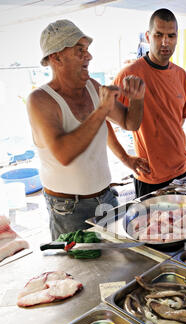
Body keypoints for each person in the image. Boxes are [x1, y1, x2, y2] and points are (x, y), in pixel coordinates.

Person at [26, 19, 145, 240]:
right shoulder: (40, 100)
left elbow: (130, 123)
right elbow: (64, 154)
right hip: (68, 208)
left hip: (106, 198)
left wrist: (137, 99)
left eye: (87, 50)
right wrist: (101, 110)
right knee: (78, 272)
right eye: (80, 51)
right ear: (56, 57)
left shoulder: (92, 87)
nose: (88, 56)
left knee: (120, 264)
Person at [114, 8, 186, 198]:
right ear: (148, 37)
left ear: (176, 38)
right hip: (150, 176)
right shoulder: (129, 74)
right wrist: (125, 159)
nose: (165, 42)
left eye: (171, 36)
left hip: (182, 171)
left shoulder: (181, 75)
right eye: (159, 35)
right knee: (154, 227)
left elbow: (178, 120)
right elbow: (102, 119)